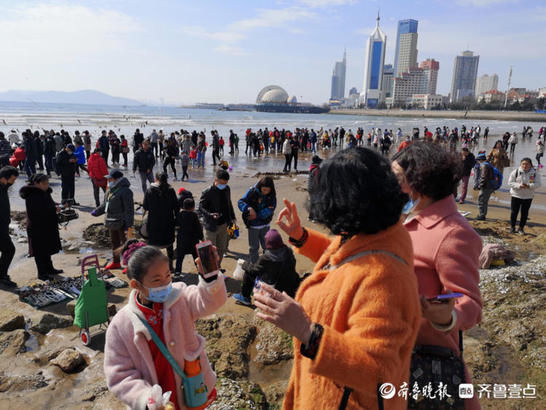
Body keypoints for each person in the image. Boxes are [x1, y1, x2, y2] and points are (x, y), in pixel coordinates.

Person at [254, 147, 421, 409]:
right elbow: (344, 260)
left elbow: (380, 373)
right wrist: (301, 236)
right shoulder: (374, 234)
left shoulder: (385, 278)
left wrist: (307, 332)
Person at [391, 142, 482, 409]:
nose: (391, 186)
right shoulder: (407, 216)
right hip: (394, 351)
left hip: (426, 357)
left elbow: (470, 303)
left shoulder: (453, 232)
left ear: (421, 181)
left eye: (397, 179)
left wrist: (447, 316)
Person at [103, 240, 227, 409]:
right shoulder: (121, 325)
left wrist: (211, 277)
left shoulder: (180, 296)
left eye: (168, 275)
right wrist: (146, 399)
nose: (165, 284)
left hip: (191, 388)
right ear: (136, 285)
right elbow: (119, 374)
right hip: (157, 402)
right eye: (157, 280)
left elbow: (210, 302)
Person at [233, 229, 300, 306]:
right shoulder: (288, 251)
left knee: (248, 273)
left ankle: (245, 297)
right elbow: (293, 263)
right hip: (288, 284)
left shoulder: (267, 257)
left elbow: (254, 270)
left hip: (273, 285)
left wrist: (244, 264)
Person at [19, 174, 63, 280]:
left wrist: (58, 205)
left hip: (47, 225)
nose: (46, 186)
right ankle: (42, 273)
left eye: (47, 183)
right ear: (36, 183)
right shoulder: (31, 194)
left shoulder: (45, 192)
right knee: (40, 251)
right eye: (44, 184)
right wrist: (54, 209)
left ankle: (50, 268)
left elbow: (49, 203)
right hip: (37, 226)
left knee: (47, 249)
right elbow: (38, 210)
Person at [92, 169, 134, 270]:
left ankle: (130, 265)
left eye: (110, 179)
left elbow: (129, 209)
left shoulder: (126, 191)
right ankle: (116, 262)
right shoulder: (109, 190)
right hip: (111, 221)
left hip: (122, 222)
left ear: (117, 179)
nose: (108, 181)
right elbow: (105, 205)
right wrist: (96, 212)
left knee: (126, 245)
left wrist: (129, 225)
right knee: (114, 243)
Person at [198, 169, 236, 266]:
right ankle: (209, 271)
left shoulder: (227, 189)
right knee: (210, 250)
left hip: (223, 224)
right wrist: (210, 215)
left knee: (221, 249)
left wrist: (232, 217)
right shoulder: (207, 191)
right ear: (216, 180)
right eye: (221, 183)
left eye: (225, 183)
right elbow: (201, 207)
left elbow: (229, 203)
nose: (223, 185)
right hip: (210, 226)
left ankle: (217, 267)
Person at [143, 173, 179, 272]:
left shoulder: (150, 190)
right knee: (169, 244)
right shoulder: (170, 190)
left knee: (154, 246)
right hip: (168, 221)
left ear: (156, 178)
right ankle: (171, 266)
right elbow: (176, 207)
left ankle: (156, 268)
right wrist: (176, 220)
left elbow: (145, 206)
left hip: (154, 222)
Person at [238, 177, 277, 263]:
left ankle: (267, 264)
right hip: (253, 226)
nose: (265, 192)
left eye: (267, 190)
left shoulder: (272, 196)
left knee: (267, 246)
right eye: (263, 190)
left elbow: (271, 209)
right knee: (253, 247)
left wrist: (256, 215)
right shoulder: (252, 192)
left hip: (265, 225)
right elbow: (240, 202)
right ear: (260, 187)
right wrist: (248, 208)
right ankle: (254, 265)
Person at [508, 158, 541, 234]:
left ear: (530, 165)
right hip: (516, 195)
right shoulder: (516, 172)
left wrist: (529, 186)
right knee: (514, 212)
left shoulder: (534, 173)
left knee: (524, 213)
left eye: (527, 164)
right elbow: (510, 183)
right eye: (523, 164)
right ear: (520, 164)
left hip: (528, 196)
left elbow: (538, 184)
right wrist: (519, 186)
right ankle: (512, 227)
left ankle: (521, 228)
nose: (525, 165)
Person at [0, 166, 19, 287]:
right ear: (3, 178)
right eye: (12, 179)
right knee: (9, 250)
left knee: (7, 250)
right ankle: (2, 276)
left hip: (3, 225)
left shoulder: (3, 186)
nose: (14, 182)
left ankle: (2, 274)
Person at [175, 198, 203, 274]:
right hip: (193, 240)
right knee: (196, 257)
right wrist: (201, 237)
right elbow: (198, 228)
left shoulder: (179, 215)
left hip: (181, 240)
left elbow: (176, 226)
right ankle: (200, 271)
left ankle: (177, 272)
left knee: (180, 257)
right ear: (193, 207)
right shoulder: (194, 215)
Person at [475, 151, 495, 221]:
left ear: (480, 160)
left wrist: (480, 186)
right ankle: (483, 214)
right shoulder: (489, 164)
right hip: (490, 186)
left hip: (485, 186)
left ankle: (482, 215)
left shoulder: (484, 166)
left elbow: (483, 177)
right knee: (485, 201)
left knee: (481, 201)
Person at [307, 156, 322, 220]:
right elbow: (317, 180)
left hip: (310, 187)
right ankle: (315, 217)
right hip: (315, 188)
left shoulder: (311, 167)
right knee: (316, 202)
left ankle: (310, 217)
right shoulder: (316, 169)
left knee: (312, 202)